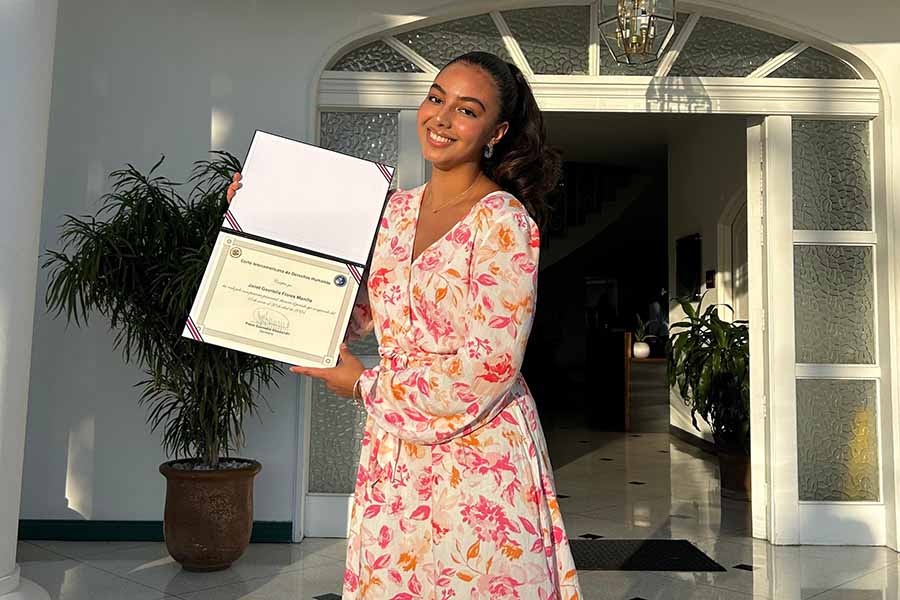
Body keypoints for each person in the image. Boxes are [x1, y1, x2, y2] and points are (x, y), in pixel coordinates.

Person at [228, 51, 582, 600]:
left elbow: (489, 368)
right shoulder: (391, 213)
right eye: (436, 97)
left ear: (497, 131)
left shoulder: (505, 222)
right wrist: (258, 223)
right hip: (396, 459)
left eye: (466, 110)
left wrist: (364, 386)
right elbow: (354, 317)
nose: (441, 118)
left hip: (480, 458)